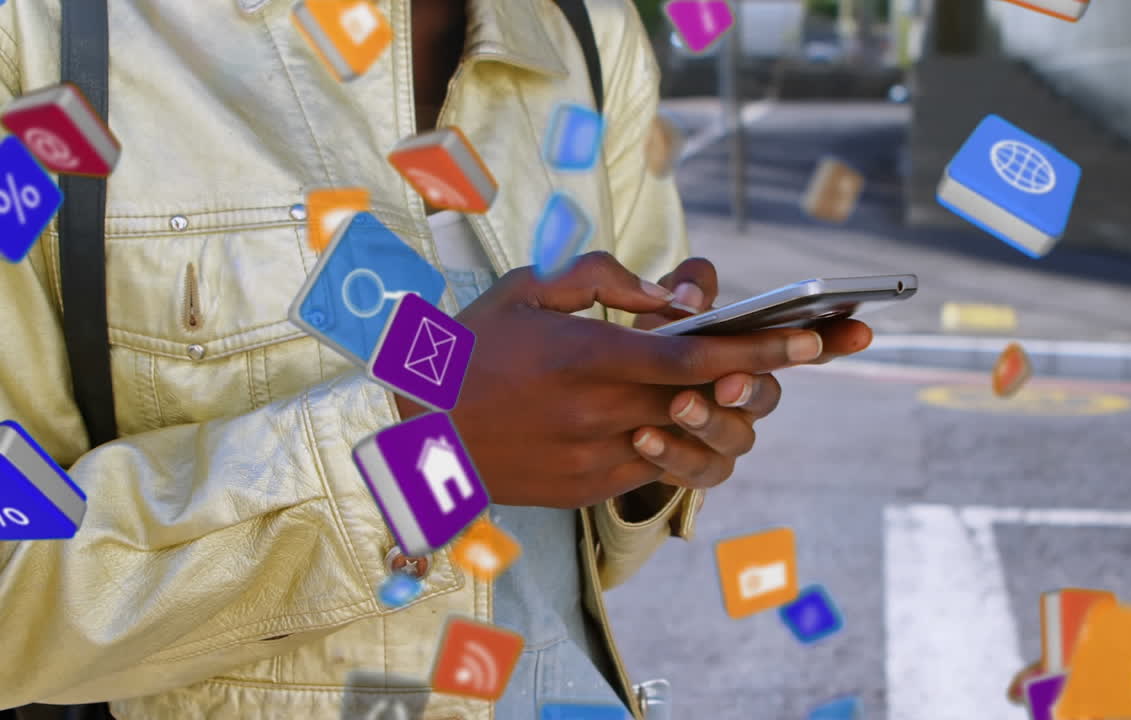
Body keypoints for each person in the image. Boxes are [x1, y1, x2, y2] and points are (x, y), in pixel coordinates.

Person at [0, 0, 874, 718]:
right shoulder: (46, 37)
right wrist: (421, 462)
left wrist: (651, 436)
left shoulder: (585, 36)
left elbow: (575, 562)